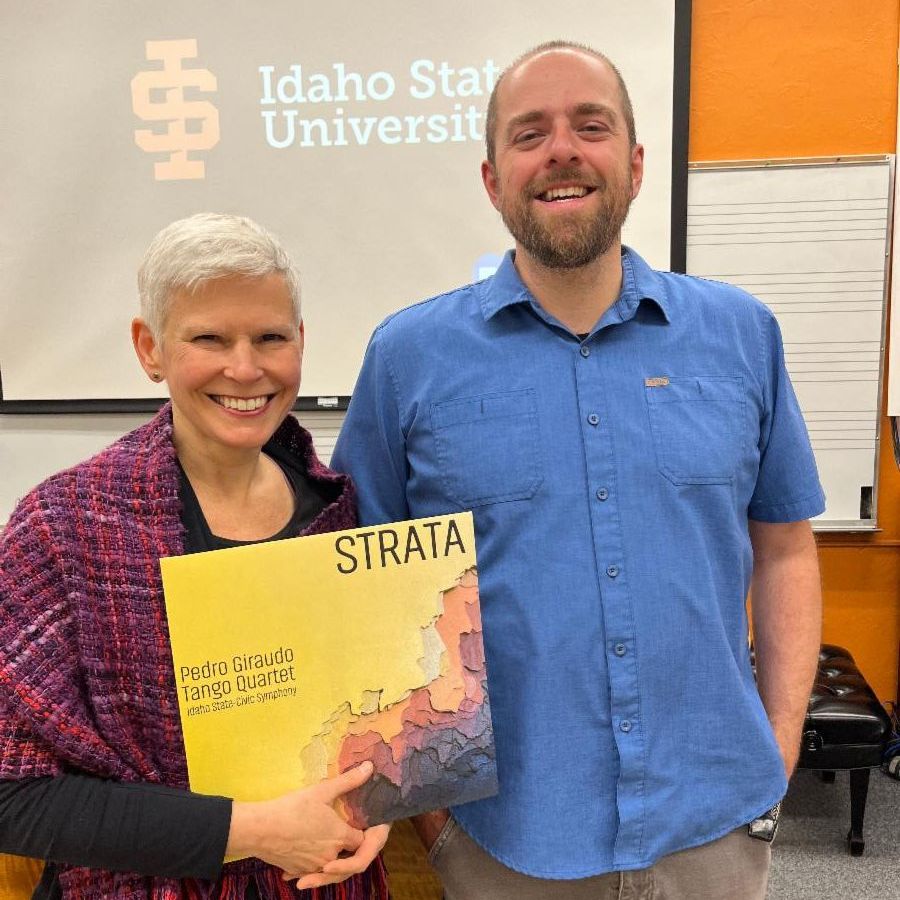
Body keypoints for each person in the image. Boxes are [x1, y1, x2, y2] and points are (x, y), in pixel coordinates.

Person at [332, 41, 824, 900]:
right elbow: (366, 597)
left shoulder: (742, 335)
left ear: (635, 166)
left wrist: (778, 746)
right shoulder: (407, 358)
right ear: (493, 180)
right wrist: (432, 819)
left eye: (589, 126)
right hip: (500, 836)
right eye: (530, 134)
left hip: (713, 824)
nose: (562, 150)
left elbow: (785, 545)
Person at [0, 213, 390, 899]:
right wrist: (253, 832)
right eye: (209, 338)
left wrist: (381, 808)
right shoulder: (61, 529)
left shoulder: (342, 515)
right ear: (149, 348)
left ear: (300, 342)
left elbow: (380, 732)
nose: (246, 368)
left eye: (270, 337)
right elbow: (11, 797)